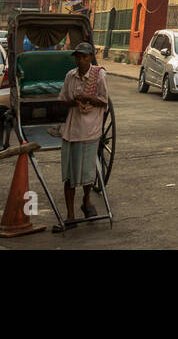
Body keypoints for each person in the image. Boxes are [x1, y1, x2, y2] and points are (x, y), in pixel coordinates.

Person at [57, 42, 109, 223]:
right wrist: (74, 101)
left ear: (90, 57)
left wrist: (87, 98)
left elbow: (104, 101)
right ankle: (70, 215)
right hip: (72, 129)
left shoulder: (99, 75)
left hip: (90, 130)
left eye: (84, 57)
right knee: (69, 176)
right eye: (77, 57)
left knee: (88, 174)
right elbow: (62, 101)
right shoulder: (70, 76)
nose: (80, 60)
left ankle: (86, 200)